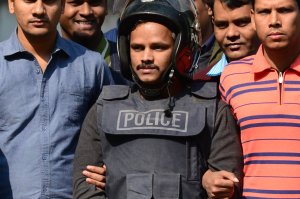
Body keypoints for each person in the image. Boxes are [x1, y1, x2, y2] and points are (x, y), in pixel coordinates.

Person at [73, 0, 243, 198]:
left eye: (158, 47)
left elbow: (226, 186)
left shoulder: (212, 110)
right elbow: (85, 187)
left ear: (182, 51)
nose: (146, 57)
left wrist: (211, 183)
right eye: (137, 47)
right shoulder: (103, 110)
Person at [0, 0, 112, 198]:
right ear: (11, 4)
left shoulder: (91, 65)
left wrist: (109, 170)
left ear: (61, 6)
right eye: (28, 0)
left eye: (49, 1)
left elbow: (113, 138)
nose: (39, 10)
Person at [215, 0, 300, 198]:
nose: (274, 21)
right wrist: (209, 176)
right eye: (264, 12)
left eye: (284, 10)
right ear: (253, 18)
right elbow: (222, 155)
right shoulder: (231, 77)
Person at [60, 0, 129, 85]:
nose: (86, 12)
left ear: (106, 7)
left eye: (94, 3)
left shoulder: (130, 63)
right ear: (58, 6)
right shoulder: (43, 63)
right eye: (76, 3)